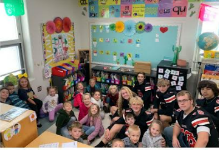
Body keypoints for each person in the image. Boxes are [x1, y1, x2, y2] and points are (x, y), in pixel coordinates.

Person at [96, 96, 166, 147]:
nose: (135, 106)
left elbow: (154, 129)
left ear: (141, 106)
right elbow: (119, 121)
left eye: (138, 104)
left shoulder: (148, 115)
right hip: (128, 131)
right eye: (134, 104)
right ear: (131, 106)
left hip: (140, 136)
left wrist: (161, 138)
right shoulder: (128, 111)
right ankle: (99, 145)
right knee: (116, 126)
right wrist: (108, 128)